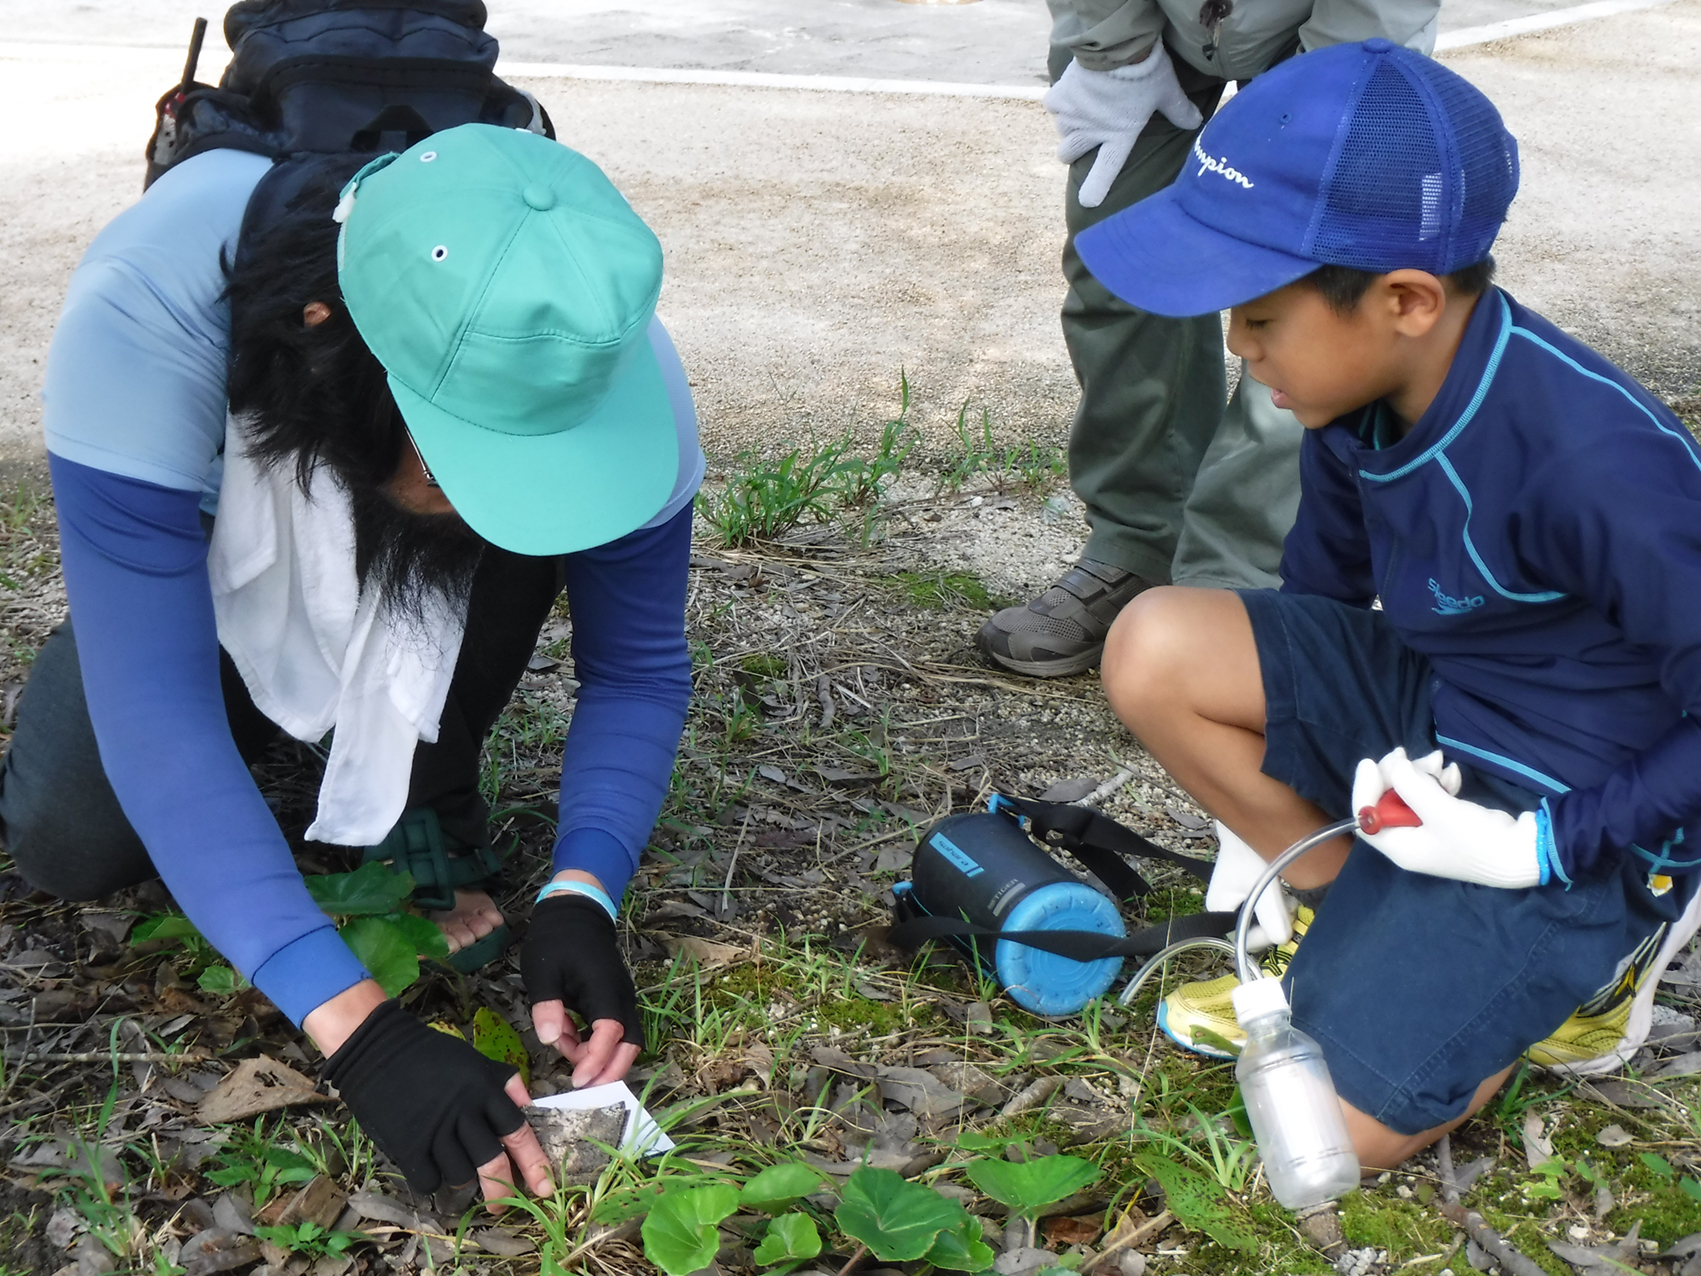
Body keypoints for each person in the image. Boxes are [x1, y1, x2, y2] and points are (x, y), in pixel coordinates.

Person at [0, 123, 704, 1205]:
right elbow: (157, 718)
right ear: (329, 337)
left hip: (405, 531)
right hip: (207, 554)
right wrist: (359, 1030)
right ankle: (270, 699)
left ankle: (415, 782)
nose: (492, 497)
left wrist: (583, 888)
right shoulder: (147, 309)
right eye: (466, 458)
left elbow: (639, 668)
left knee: (475, 536)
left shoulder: (605, 359)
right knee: (69, 837)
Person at [1089, 39, 1701, 1169]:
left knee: (1332, 1135)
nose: (1236, 343)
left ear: (1406, 300)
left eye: (1261, 316)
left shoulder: (1595, 464)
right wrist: (1267, 832)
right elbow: (1315, 609)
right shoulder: (1355, 397)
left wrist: (1540, 849)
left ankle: (1579, 972)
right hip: (1447, 711)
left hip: (1581, 793)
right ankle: (1347, 918)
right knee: (1156, 642)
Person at [975, 0, 1441, 678]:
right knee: (1119, 259)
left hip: (1342, 29)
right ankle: (1138, 547)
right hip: (1147, 20)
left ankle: (1238, 584)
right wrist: (1114, 55)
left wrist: (1318, 115)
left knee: (1306, 293)